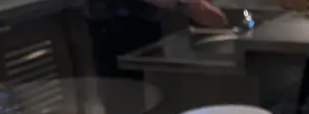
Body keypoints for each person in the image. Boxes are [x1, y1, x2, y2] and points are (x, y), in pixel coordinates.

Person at [88, 0, 228, 79]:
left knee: (146, 90)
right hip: (115, 20)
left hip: (144, 18)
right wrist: (187, 5)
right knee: (124, 99)